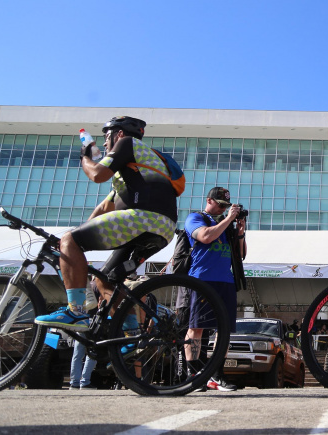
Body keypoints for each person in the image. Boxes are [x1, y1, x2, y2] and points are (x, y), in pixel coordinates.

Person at [35, 116, 177, 331]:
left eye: (106, 136)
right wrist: (74, 239)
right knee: (105, 280)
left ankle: (76, 312)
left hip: (142, 219)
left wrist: (85, 157)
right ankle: (131, 334)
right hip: (163, 229)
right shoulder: (140, 166)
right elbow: (104, 208)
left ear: (118, 134)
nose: (103, 143)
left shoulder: (128, 143)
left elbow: (98, 174)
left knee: (70, 240)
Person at [183, 186, 247, 392]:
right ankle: (193, 375)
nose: (222, 209)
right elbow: (205, 237)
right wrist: (228, 220)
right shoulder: (196, 217)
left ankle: (217, 375)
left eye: (226, 207)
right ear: (209, 200)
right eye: (220, 205)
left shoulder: (225, 225)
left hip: (226, 281)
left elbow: (241, 254)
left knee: (224, 330)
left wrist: (240, 232)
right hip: (202, 279)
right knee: (196, 327)